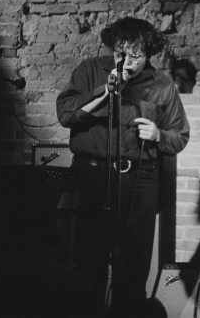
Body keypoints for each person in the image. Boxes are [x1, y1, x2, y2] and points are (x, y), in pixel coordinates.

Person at [56, 17, 190, 317]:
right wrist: (104, 92)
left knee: (132, 268)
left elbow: (180, 136)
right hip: (93, 176)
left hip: (140, 180)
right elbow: (66, 114)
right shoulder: (90, 70)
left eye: (135, 56)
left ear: (148, 54)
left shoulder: (162, 85)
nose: (126, 63)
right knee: (87, 262)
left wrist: (158, 135)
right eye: (120, 54)